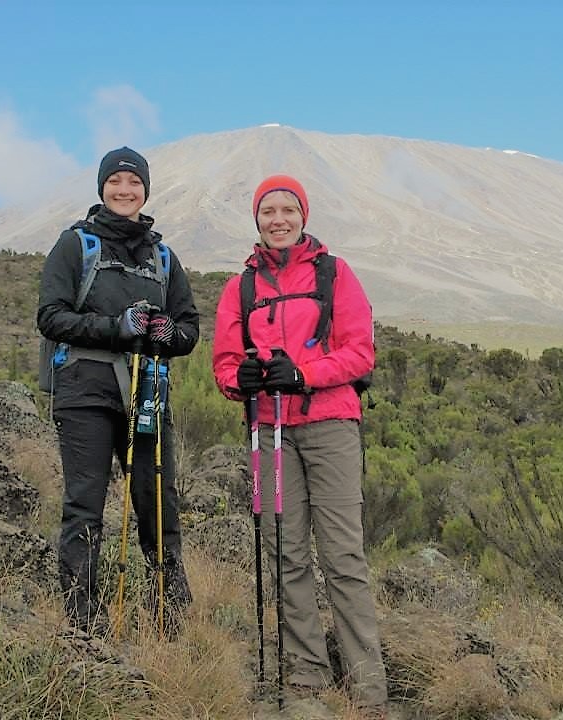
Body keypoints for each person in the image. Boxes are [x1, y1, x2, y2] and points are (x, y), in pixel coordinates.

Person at [212, 175, 388, 714]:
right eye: (268, 211)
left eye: (288, 209)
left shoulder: (335, 274)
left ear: (303, 216)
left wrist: (304, 374)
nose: (279, 219)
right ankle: (308, 677)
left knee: (342, 556)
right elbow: (225, 362)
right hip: (268, 432)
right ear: (257, 219)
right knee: (284, 552)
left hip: (330, 426)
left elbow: (360, 352)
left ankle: (367, 687)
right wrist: (238, 380)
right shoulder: (240, 287)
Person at [37, 147, 199, 637]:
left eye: (134, 182)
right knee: (85, 505)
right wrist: (116, 327)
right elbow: (50, 316)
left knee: (158, 505)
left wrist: (167, 333)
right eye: (116, 181)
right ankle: (84, 624)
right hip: (84, 394)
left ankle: (171, 621)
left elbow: (189, 329)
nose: (124, 190)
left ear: (145, 190)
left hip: (147, 396)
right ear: (102, 187)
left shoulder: (163, 257)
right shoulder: (76, 245)